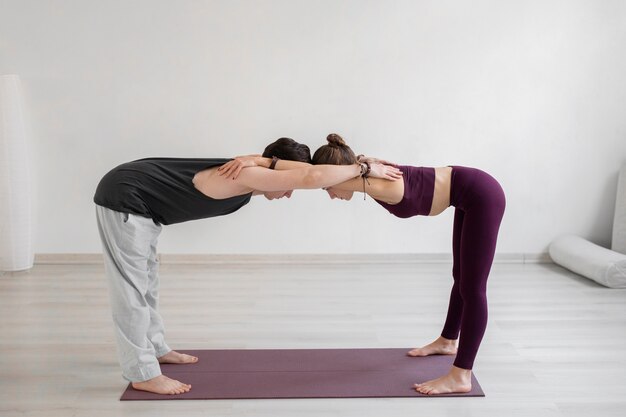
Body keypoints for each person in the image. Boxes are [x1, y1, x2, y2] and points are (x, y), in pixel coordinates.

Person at [93, 137, 402, 395]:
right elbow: (309, 177)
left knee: (148, 282)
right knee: (131, 290)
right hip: (125, 196)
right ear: (274, 169)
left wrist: (263, 160)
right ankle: (142, 372)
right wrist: (363, 167)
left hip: (144, 206)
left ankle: (156, 348)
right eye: (286, 183)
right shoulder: (245, 175)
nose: (289, 192)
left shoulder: (250, 169)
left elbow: (301, 172)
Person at [306, 133, 506, 395]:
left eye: (328, 188)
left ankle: (461, 375)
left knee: (473, 289)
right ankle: (448, 341)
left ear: (342, 175)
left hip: (483, 195)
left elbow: (313, 176)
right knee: (461, 277)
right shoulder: (369, 173)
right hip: (467, 193)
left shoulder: (370, 180)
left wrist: (269, 166)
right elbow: (322, 174)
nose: (330, 194)